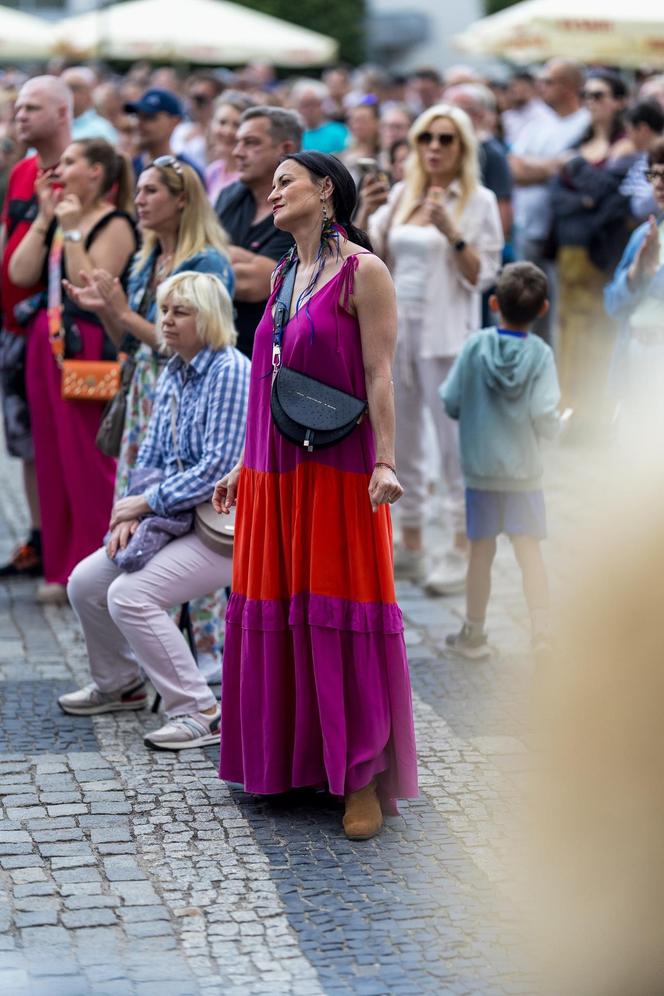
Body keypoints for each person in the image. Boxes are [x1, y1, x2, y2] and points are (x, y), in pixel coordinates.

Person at [213, 151, 418, 840]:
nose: (271, 192)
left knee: (338, 605)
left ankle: (358, 776)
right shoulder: (283, 274)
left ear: (324, 191)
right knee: (281, 603)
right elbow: (270, 374)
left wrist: (385, 461)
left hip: (340, 465)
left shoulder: (366, 271)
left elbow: (381, 374)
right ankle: (296, 763)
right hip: (276, 466)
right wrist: (245, 462)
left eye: (285, 182)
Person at [60, 272, 250, 750]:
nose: (165, 320)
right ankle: (121, 684)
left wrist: (147, 503)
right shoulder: (175, 369)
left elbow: (219, 468)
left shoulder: (230, 370)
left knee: (130, 595)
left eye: (179, 311)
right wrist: (130, 514)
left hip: (225, 523)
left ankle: (201, 710)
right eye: (164, 310)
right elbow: (152, 454)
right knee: (85, 582)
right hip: (177, 517)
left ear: (208, 319)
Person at [64, 159, 234, 675]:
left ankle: (211, 652)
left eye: (152, 190)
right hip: (147, 394)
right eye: (137, 190)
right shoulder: (144, 259)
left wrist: (121, 313)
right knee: (141, 518)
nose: (139, 200)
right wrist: (108, 314)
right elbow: (132, 344)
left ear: (182, 200)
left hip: (188, 391)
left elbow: (185, 343)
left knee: (195, 522)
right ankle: (145, 651)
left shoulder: (205, 261)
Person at [358, 104, 503, 595]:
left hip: (447, 334)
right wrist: (368, 216)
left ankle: (460, 546)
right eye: (426, 139)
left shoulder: (477, 200)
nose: (434, 148)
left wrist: (451, 232)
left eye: (445, 139)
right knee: (401, 442)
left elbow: (483, 276)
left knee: (453, 446)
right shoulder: (403, 194)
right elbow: (373, 255)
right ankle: (412, 542)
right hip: (398, 331)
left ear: (462, 147)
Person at [8, 139, 137, 604]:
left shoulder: (115, 222)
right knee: (52, 455)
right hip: (48, 342)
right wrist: (45, 219)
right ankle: (61, 568)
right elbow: (20, 272)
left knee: (86, 456)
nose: (58, 170)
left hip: (88, 345)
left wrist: (73, 231)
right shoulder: (59, 217)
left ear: (98, 172)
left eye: (70, 162)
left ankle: (96, 563)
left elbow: (93, 287)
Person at [440, 262, 561, 660]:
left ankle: (474, 632)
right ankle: (543, 633)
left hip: (480, 473)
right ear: (543, 309)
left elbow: (451, 401)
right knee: (530, 554)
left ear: (493, 303)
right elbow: (545, 414)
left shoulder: (475, 346)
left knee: (480, 554)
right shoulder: (541, 355)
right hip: (523, 475)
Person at [0, 75, 72, 580]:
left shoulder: (83, 168)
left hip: (55, 332)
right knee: (25, 443)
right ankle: (40, 539)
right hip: (14, 329)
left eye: (31, 107)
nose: (19, 115)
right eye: (18, 107)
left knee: (60, 441)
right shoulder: (24, 169)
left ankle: (66, 541)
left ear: (62, 113)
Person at [550, 70, 635, 427]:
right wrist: (583, 199)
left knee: (598, 336)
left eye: (599, 95)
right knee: (568, 336)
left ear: (618, 101)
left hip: (600, 256)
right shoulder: (580, 145)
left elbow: (609, 198)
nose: (591, 103)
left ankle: (595, 417)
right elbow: (558, 199)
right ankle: (572, 415)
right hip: (568, 255)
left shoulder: (625, 147)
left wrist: (577, 172)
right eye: (587, 95)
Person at [509, 59, 590, 344]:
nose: (540, 87)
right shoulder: (537, 123)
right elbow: (514, 168)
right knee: (527, 304)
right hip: (529, 227)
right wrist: (553, 166)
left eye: (548, 81)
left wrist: (537, 168)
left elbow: (575, 170)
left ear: (568, 87)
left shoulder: (585, 123)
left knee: (558, 308)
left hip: (561, 232)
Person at [215, 106, 302, 358]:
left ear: (286, 149)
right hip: (219, 347)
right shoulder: (230, 196)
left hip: (272, 356)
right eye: (237, 142)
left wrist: (209, 256)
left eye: (250, 143)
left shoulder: (301, 208)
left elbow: (257, 284)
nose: (237, 152)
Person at [604, 138, 664, 424]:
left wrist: (650, 273)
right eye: (654, 174)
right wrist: (633, 274)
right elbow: (613, 304)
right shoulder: (643, 234)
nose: (659, 184)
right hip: (634, 352)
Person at [124, 88, 204, 184]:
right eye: (138, 116)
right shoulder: (129, 167)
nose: (139, 123)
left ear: (174, 122)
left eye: (149, 117)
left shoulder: (188, 173)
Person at [204, 91, 255, 205]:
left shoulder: (251, 177)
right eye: (222, 122)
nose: (228, 131)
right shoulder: (212, 172)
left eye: (237, 125)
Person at [619, 101, 664, 222]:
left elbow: (642, 207)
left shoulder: (653, 162)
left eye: (629, 132)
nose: (628, 138)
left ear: (643, 129)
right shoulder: (643, 159)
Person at [171, 72, 223, 172]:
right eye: (190, 97)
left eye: (200, 99)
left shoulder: (221, 133)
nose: (193, 104)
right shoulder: (180, 129)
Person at [62, 67, 118, 145]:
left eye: (74, 89)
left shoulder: (101, 130)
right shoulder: (53, 126)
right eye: (63, 88)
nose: (68, 93)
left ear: (89, 94)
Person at [292, 80, 349, 154]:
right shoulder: (294, 135)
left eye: (313, 104)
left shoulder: (339, 131)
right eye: (305, 105)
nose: (310, 109)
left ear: (322, 105)